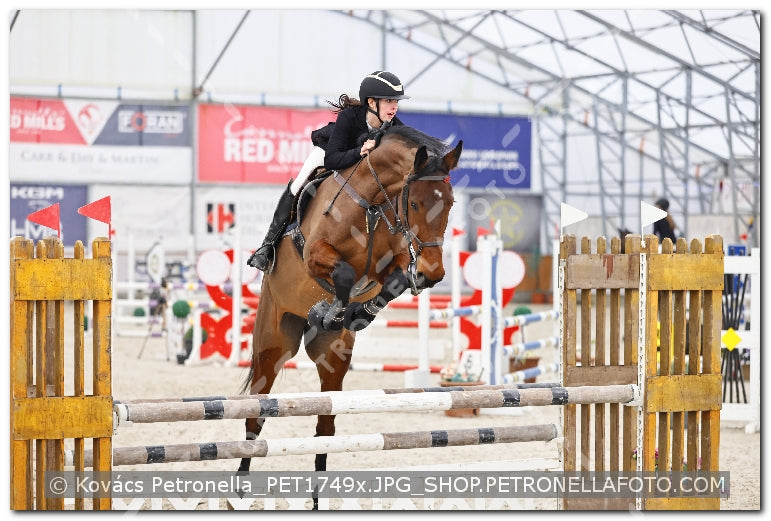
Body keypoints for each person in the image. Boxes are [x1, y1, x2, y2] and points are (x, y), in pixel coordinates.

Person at [247, 71, 410, 272]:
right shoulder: (349, 117)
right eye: (388, 100)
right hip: (332, 153)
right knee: (298, 184)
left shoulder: (396, 128)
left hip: (360, 172)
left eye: (396, 101)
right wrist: (360, 151)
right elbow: (332, 159)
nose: (394, 106)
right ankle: (267, 245)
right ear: (371, 102)